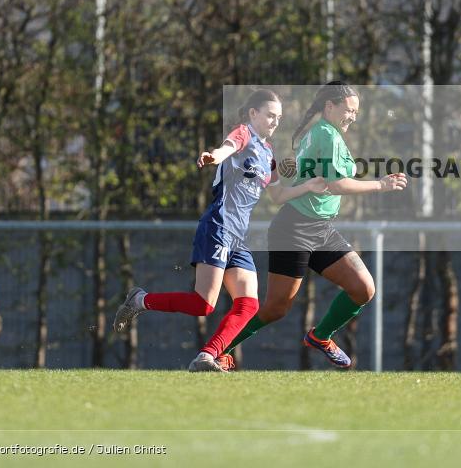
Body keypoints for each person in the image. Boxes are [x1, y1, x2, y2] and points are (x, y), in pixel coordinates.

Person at [112, 89, 326, 372]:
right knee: (204, 304)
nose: (275, 121)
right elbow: (226, 148)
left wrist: (308, 187)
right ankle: (140, 300)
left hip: (238, 237)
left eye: (279, 117)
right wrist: (213, 156)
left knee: (248, 305)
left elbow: (277, 195)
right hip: (218, 226)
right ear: (253, 113)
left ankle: (206, 356)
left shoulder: (268, 153)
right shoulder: (244, 133)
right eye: (270, 115)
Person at [216, 81, 407, 369]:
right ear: (330, 106)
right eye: (349, 110)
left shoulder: (325, 132)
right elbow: (336, 184)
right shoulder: (325, 134)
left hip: (320, 228)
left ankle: (320, 337)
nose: (353, 117)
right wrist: (380, 185)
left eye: (356, 112)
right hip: (294, 229)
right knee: (276, 308)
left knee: (363, 288)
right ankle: (218, 350)